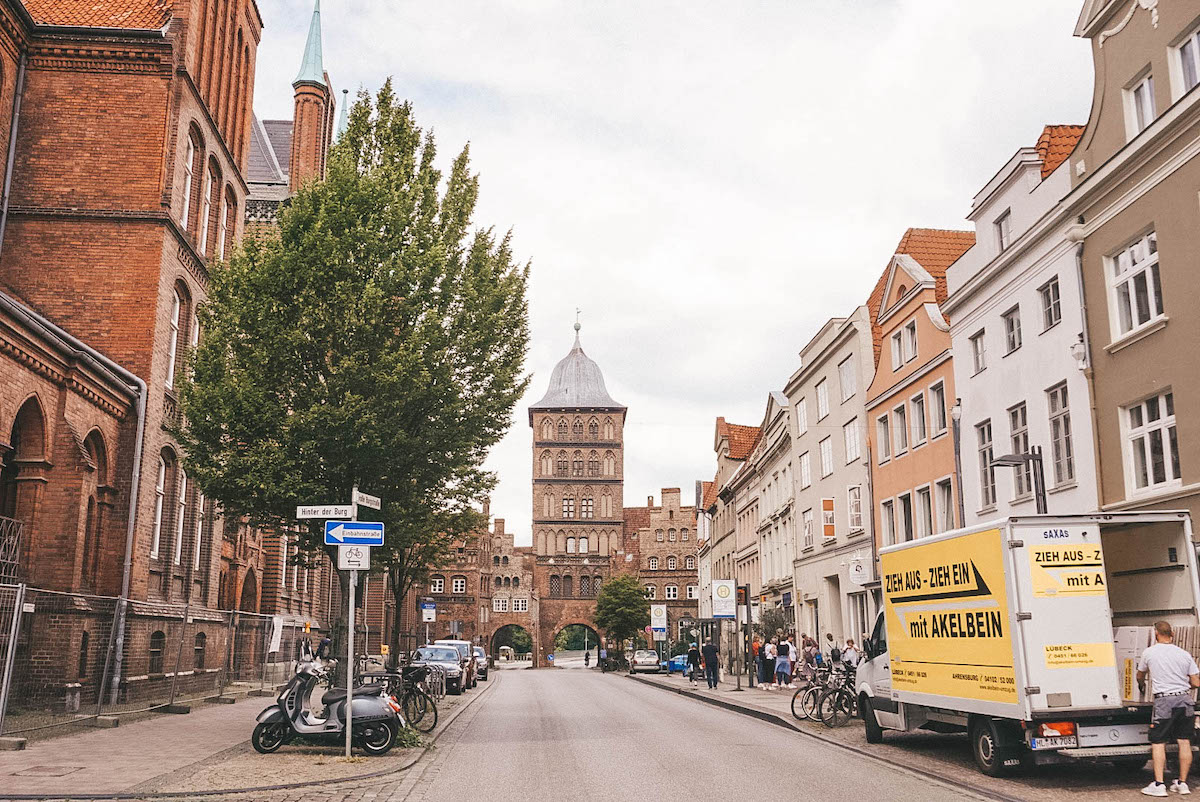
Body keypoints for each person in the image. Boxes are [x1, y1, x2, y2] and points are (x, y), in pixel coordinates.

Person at [1137, 621, 1200, 796]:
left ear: (1156, 633)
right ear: (1171, 634)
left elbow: (1140, 674)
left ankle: (1158, 784)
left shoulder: (1149, 652)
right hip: (1185, 700)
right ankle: (1182, 783)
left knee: (1158, 742)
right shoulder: (1184, 654)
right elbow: (1196, 682)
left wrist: (1140, 684)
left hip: (1165, 701)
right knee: (1184, 741)